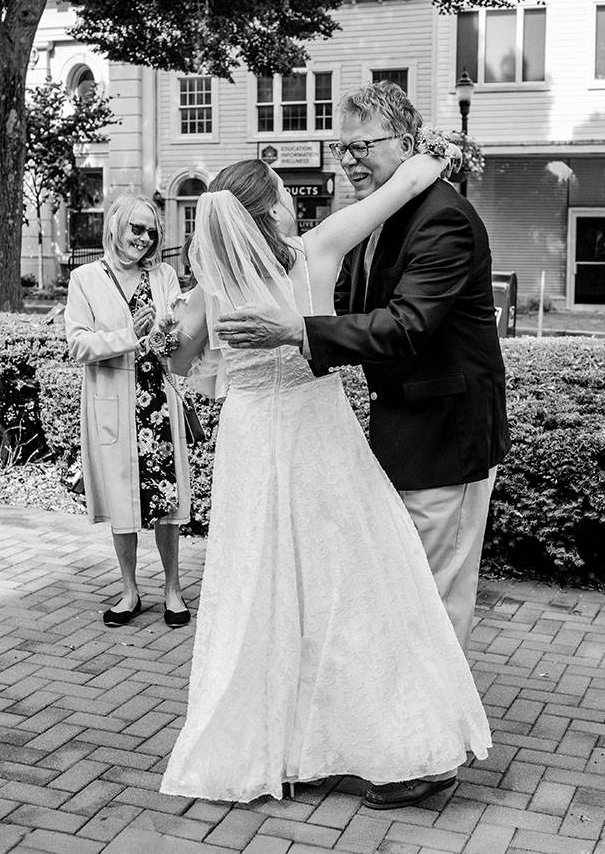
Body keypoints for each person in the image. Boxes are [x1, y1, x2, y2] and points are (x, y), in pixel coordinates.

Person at [158, 150, 491, 807]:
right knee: (358, 592)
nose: (293, 203)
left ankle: (286, 747)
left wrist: (176, 339)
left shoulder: (210, 280)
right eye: (283, 193)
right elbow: (411, 182)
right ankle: (400, 748)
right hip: (318, 438)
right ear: (271, 208)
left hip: (252, 443)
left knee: (264, 593)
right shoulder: (314, 252)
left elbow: (178, 360)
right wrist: (437, 151)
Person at [64, 193, 192, 630]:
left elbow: (176, 337)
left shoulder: (165, 275)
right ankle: (130, 591)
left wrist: (170, 335)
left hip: (158, 402)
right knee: (124, 498)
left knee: (166, 500)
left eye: (152, 231)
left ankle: (173, 590)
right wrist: (128, 335)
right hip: (115, 402)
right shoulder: (85, 278)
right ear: (115, 226)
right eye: (137, 228)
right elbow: (78, 343)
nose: (145, 238)